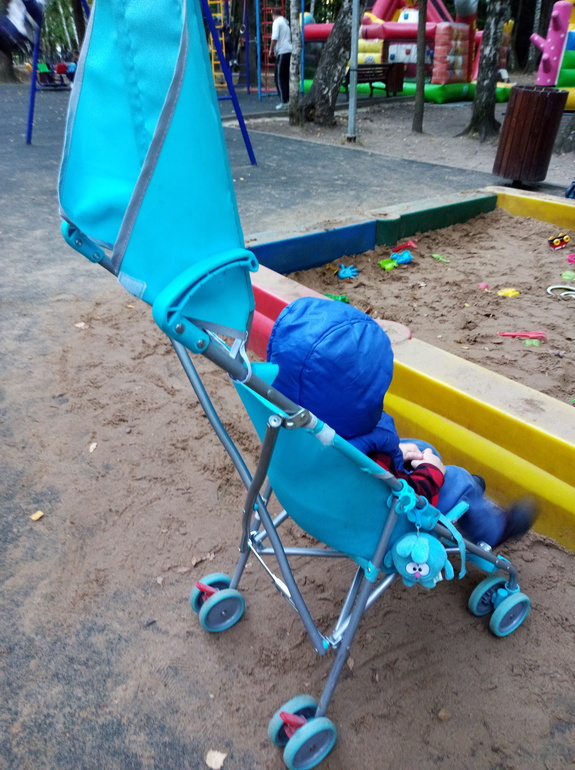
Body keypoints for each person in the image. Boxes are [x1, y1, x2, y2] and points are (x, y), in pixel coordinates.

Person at [267, 296, 538, 549]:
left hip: (314, 494)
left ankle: (456, 489)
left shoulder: (286, 418)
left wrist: (395, 452)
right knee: (458, 479)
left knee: (417, 447)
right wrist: (432, 472)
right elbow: (411, 496)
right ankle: (489, 526)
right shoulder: (367, 460)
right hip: (377, 520)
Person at [269, 8, 292, 110]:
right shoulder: (285, 22)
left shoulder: (277, 22)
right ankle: (288, 100)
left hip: (282, 51)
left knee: (278, 77)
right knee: (285, 77)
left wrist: (270, 50)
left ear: (273, 15)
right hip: (289, 51)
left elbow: (274, 37)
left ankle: (284, 101)